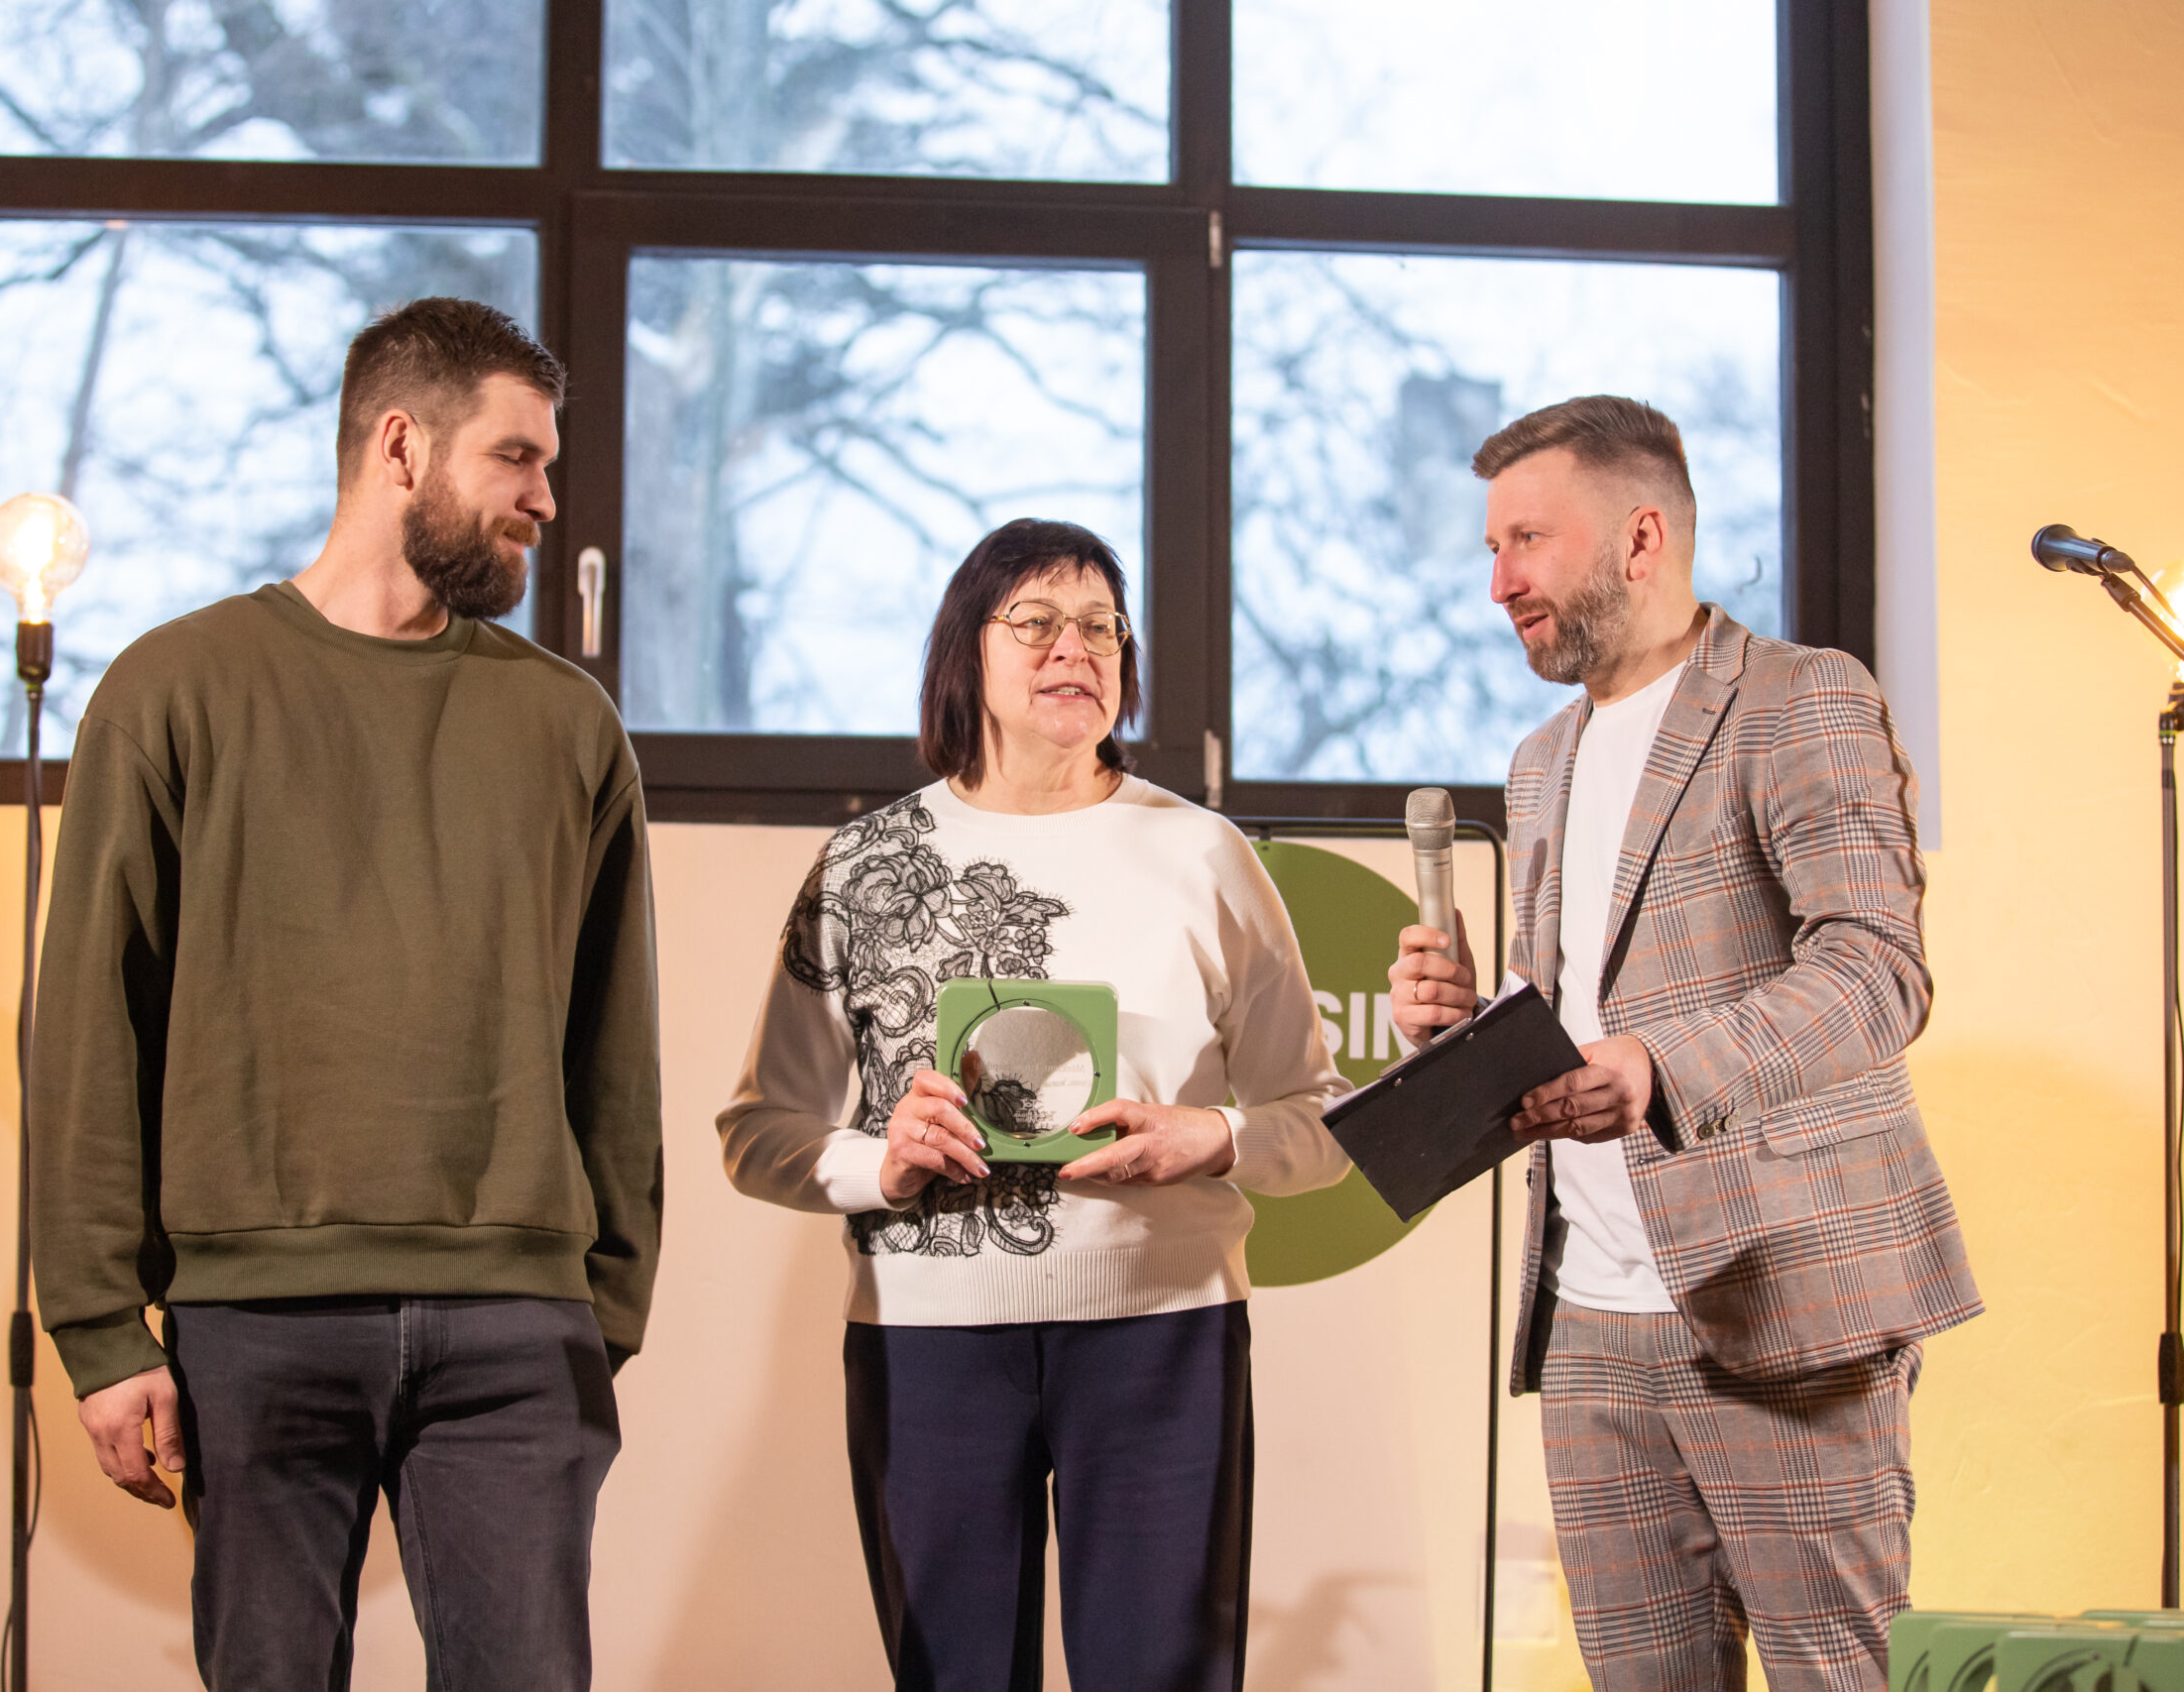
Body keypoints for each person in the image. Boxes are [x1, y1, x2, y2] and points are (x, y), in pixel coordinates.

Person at [31, 298, 662, 1691]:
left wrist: (603, 1304)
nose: (545, 500)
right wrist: (95, 1326)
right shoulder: (172, 688)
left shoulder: (567, 724)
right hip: (254, 1317)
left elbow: (614, 1043)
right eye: (516, 458)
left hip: (518, 1323)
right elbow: (86, 1027)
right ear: (400, 444)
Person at [1389, 395, 1980, 1691]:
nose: (1498, 584)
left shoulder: (1802, 700)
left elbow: (1875, 970)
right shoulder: (1541, 760)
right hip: (1589, 1321)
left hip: (1782, 1296)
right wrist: (1468, 1022)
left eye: (1526, 542)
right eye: (1492, 549)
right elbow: (1584, 1012)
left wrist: (1665, 1068)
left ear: (1641, 536)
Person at [720, 517, 1349, 1692]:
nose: (1077, 649)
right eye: (1038, 622)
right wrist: (879, 1163)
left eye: (1103, 627)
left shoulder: (1205, 855)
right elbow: (758, 1134)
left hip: (1164, 1337)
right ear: (967, 648)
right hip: (925, 1345)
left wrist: (1211, 1137)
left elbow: (1319, 1120)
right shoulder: (865, 864)